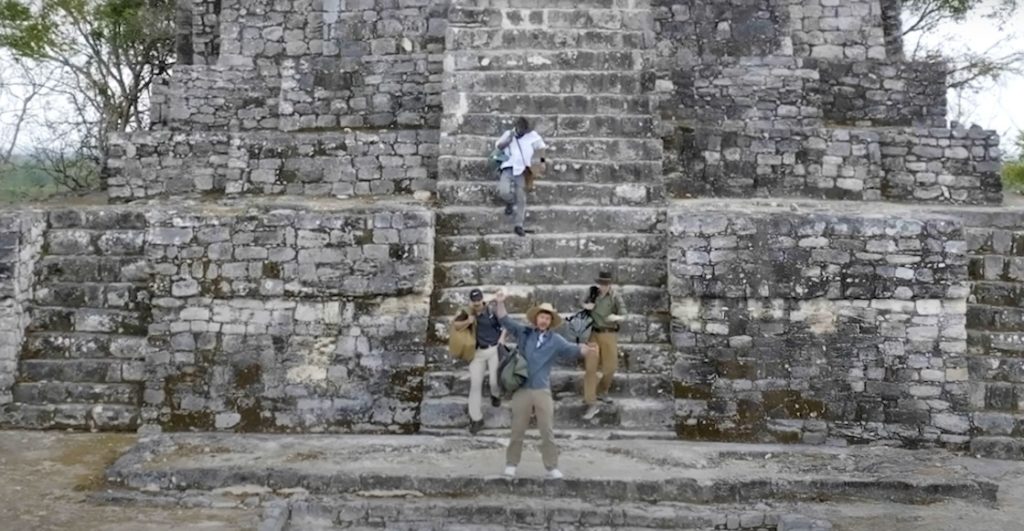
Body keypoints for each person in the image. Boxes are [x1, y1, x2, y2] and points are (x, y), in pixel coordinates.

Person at [493, 289, 597, 479]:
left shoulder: (556, 340)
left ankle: (551, 467)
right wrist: (500, 302)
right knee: (517, 429)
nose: (544, 321)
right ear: (536, 318)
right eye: (542, 317)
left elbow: (574, 349)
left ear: (550, 322)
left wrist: (587, 350)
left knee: (547, 430)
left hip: (542, 389)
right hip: (523, 389)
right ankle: (511, 464)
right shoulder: (524, 332)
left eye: (547, 318)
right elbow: (504, 319)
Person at [452, 288, 504, 434]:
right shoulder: (467, 312)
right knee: (475, 386)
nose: (476, 303)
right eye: (474, 301)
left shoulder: (491, 310)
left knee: (494, 381)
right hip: (477, 353)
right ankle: (476, 419)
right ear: (471, 301)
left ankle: (495, 394)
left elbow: (504, 324)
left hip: (493, 349)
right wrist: (468, 321)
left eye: (478, 300)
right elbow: (455, 325)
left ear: (482, 299)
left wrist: (501, 339)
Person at [581, 271, 626, 420]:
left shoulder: (615, 296)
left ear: (610, 284)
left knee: (610, 367)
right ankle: (590, 401)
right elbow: (581, 304)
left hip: (609, 333)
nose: (603, 286)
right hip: (593, 333)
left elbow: (624, 314)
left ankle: (602, 390)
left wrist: (616, 317)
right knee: (591, 368)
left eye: (606, 284)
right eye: (601, 283)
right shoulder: (591, 293)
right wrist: (586, 306)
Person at [495, 117, 547, 237]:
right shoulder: (508, 134)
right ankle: (510, 201)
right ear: (517, 127)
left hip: (523, 170)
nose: (523, 132)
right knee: (503, 191)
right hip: (508, 167)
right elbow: (498, 147)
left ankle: (519, 225)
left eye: (525, 130)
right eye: (521, 130)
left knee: (521, 198)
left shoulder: (533, 136)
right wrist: (508, 141)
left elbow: (541, 149)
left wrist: (542, 162)